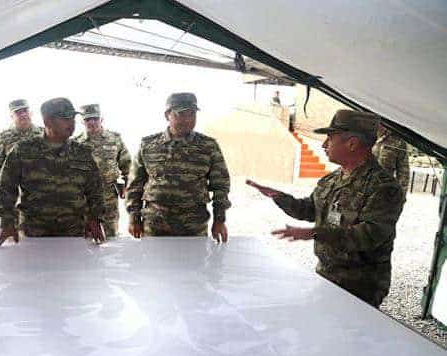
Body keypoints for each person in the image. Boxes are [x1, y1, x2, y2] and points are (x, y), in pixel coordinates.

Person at [247, 110, 404, 307]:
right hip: (326, 275)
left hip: (360, 286)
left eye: (330, 139)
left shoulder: (383, 187)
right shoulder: (332, 179)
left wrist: (315, 233)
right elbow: (309, 210)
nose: (323, 145)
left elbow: (369, 236)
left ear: (352, 144)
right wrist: (279, 197)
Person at [0, 97, 105, 247]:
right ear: (47, 122)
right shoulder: (23, 151)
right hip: (34, 232)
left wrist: (95, 218)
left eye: (73, 118)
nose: (72, 123)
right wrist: (6, 222)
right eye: (65, 118)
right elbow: (6, 187)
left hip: (73, 231)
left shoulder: (83, 152)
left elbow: (95, 189)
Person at [126, 92, 231, 241]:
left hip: (193, 226)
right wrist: (133, 218)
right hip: (155, 225)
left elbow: (221, 186)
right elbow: (134, 185)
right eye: (181, 114)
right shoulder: (148, 145)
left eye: (192, 114)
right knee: (153, 257)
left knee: (194, 257)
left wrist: (219, 220)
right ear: (167, 115)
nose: (187, 120)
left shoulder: (208, 146)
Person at [73, 104, 131, 238]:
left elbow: (127, 165)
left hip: (108, 199)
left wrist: (127, 187)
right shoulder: (75, 144)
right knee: (85, 237)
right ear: (82, 121)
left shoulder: (114, 139)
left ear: (101, 119)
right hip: (84, 201)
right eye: (88, 119)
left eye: (95, 119)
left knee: (111, 236)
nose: (92, 122)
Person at [0, 99, 44, 176]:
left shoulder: (43, 133)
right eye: (18, 112)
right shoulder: (4, 137)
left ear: (31, 113)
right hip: (15, 182)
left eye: (25, 111)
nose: (23, 114)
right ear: (12, 116)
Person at [373, 122, 410, 194]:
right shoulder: (364, 136)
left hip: (384, 191)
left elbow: (403, 172)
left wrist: (401, 195)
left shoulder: (398, 141)